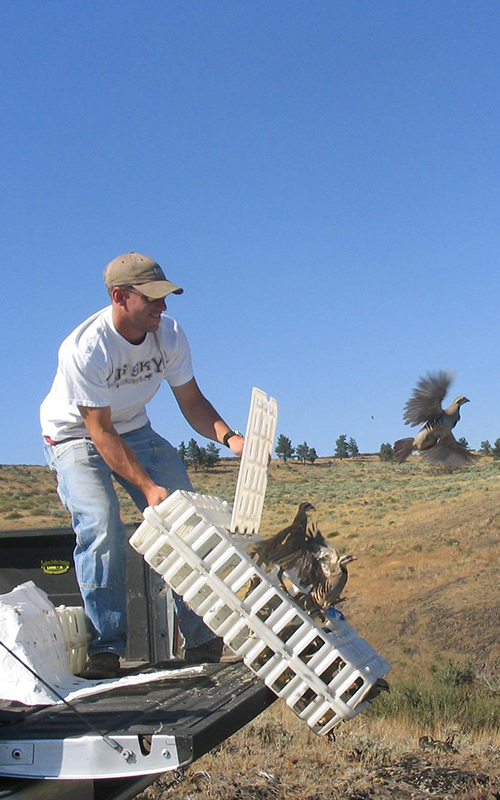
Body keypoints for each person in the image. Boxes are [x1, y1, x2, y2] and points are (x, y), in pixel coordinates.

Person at [40, 252, 244, 679]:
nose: (163, 307)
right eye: (152, 298)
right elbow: (100, 433)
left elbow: (191, 400)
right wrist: (148, 488)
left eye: (165, 296)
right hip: (76, 434)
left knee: (184, 520)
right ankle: (107, 648)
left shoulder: (168, 334)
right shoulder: (86, 348)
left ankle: (202, 638)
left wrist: (229, 437)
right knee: (101, 523)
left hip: (133, 427)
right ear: (119, 296)